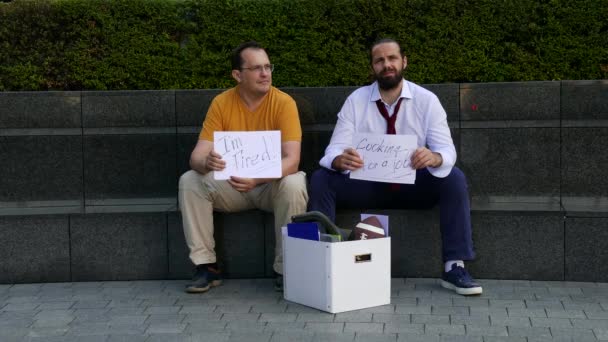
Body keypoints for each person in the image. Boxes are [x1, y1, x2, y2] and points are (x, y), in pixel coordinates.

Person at [308, 38, 482, 296]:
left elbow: (447, 151)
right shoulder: (356, 101)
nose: (386, 64)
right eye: (379, 60)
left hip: (414, 185)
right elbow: (333, 150)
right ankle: (319, 263)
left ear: (404, 61)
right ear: (372, 66)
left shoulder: (427, 100)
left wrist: (433, 157)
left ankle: (454, 266)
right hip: (366, 184)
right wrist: (338, 160)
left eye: (392, 58)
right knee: (322, 178)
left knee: (453, 178)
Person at [179, 41, 308, 293]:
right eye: (257, 68)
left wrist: (257, 179)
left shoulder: (284, 103)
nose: (265, 74)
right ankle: (206, 266)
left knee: (294, 182)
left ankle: (285, 267)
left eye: (268, 67)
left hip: (270, 187)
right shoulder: (221, 103)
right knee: (190, 180)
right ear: (238, 75)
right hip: (232, 187)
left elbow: (292, 160)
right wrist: (206, 162)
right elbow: (196, 156)